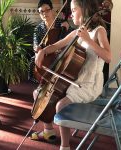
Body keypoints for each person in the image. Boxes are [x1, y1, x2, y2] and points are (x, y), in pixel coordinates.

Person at [33, 0, 111, 149]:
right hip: (75, 80)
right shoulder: (77, 32)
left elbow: (108, 57)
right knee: (39, 93)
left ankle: (65, 146)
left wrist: (89, 40)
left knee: (60, 105)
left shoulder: (99, 31)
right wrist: (43, 51)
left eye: (74, 10)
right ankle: (48, 130)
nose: (71, 14)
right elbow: (57, 45)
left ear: (85, 9)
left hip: (88, 85)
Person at [28, 0, 73, 84]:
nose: (45, 13)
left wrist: (68, 28)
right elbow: (36, 44)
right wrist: (37, 48)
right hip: (45, 54)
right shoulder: (38, 28)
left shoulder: (62, 23)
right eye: (41, 11)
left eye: (47, 10)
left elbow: (71, 37)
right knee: (34, 59)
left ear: (52, 10)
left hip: (61, 52)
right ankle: (40, 82)